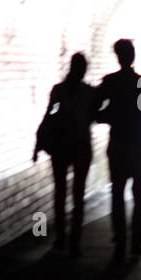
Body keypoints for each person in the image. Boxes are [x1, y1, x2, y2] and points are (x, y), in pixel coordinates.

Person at [94, 38, 141, 265]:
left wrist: (109, 116)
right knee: (139, 195)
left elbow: (95, 110)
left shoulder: (110, 82)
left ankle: (120, 244)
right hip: (137, 145)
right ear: (133, 56)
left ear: (118, 56)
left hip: (118, 145)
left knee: (118, 195)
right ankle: (137, 243)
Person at [33, 52, 95, 257]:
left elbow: (50, 113)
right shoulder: (88, 93)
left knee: (60, 193)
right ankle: (74, 242)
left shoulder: (59, 91)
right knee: (78, 196)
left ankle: (61, 238)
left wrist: (39, 141)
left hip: (61, 147)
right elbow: (97, 114)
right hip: (80, 147)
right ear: (82, 69)